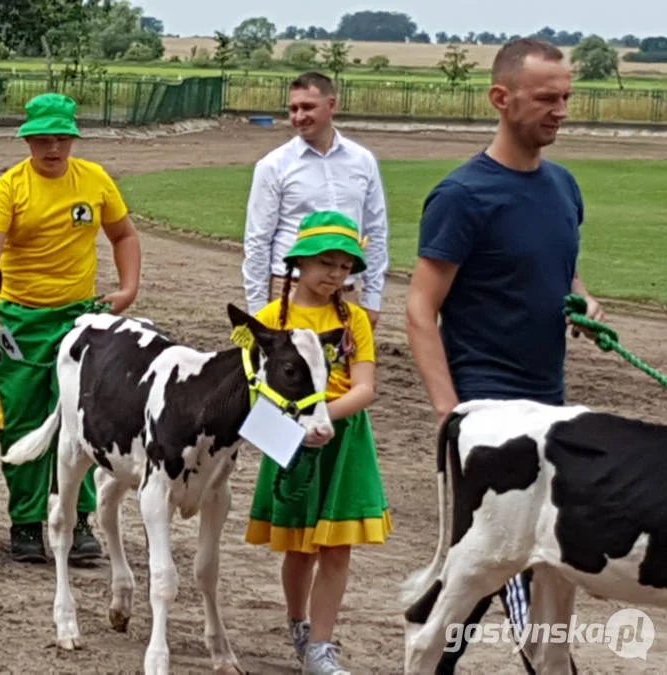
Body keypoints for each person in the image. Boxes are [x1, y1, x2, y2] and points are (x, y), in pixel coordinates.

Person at [405, 37, 605, 673]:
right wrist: (448, 412)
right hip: (488, 419)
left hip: (549, 414)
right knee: (520, 570)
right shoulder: (463, 196)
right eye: (547, 98)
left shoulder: (564, 188)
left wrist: (582, 301)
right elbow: (420, 309)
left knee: (489, 578)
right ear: (501, 98)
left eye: (566, 97)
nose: (561, 110)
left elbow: (559, 271)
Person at [0, 92, 142, 563]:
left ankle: (77, 520)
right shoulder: (11, 188)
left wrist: (127, 289)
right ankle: (25, 523)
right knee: (20, 417)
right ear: (28, 140)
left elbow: (123, 234)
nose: (53, 149)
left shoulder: (95, 180)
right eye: (43, 139)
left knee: (82, 420)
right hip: (21, 320)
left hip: (80, 319)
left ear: (72, 139)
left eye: (62, 139)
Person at [246, 210, 390, 675]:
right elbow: (250, 385)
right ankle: (298, 623)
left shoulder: (355, 322)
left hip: (342, 438)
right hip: (289, 436)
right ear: (299, 264)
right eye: (327, 262)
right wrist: (293, 426)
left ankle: (322, 648)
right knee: (299, 546)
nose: (336, 274)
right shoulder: (270, 319)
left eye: (346, 267)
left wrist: (322, 417)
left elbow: (364, 387)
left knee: (336, 547)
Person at [242, 71, 389, 328]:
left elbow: (375, 231)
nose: (299, 117)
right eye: (293, 109)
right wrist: (257, 312)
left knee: (347, 367)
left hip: (345, 290)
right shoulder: (273, 166)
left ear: (332, 105)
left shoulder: (362, 161)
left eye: (308, 107)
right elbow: (257, 241)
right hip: (290, 290)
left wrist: (373, 300)